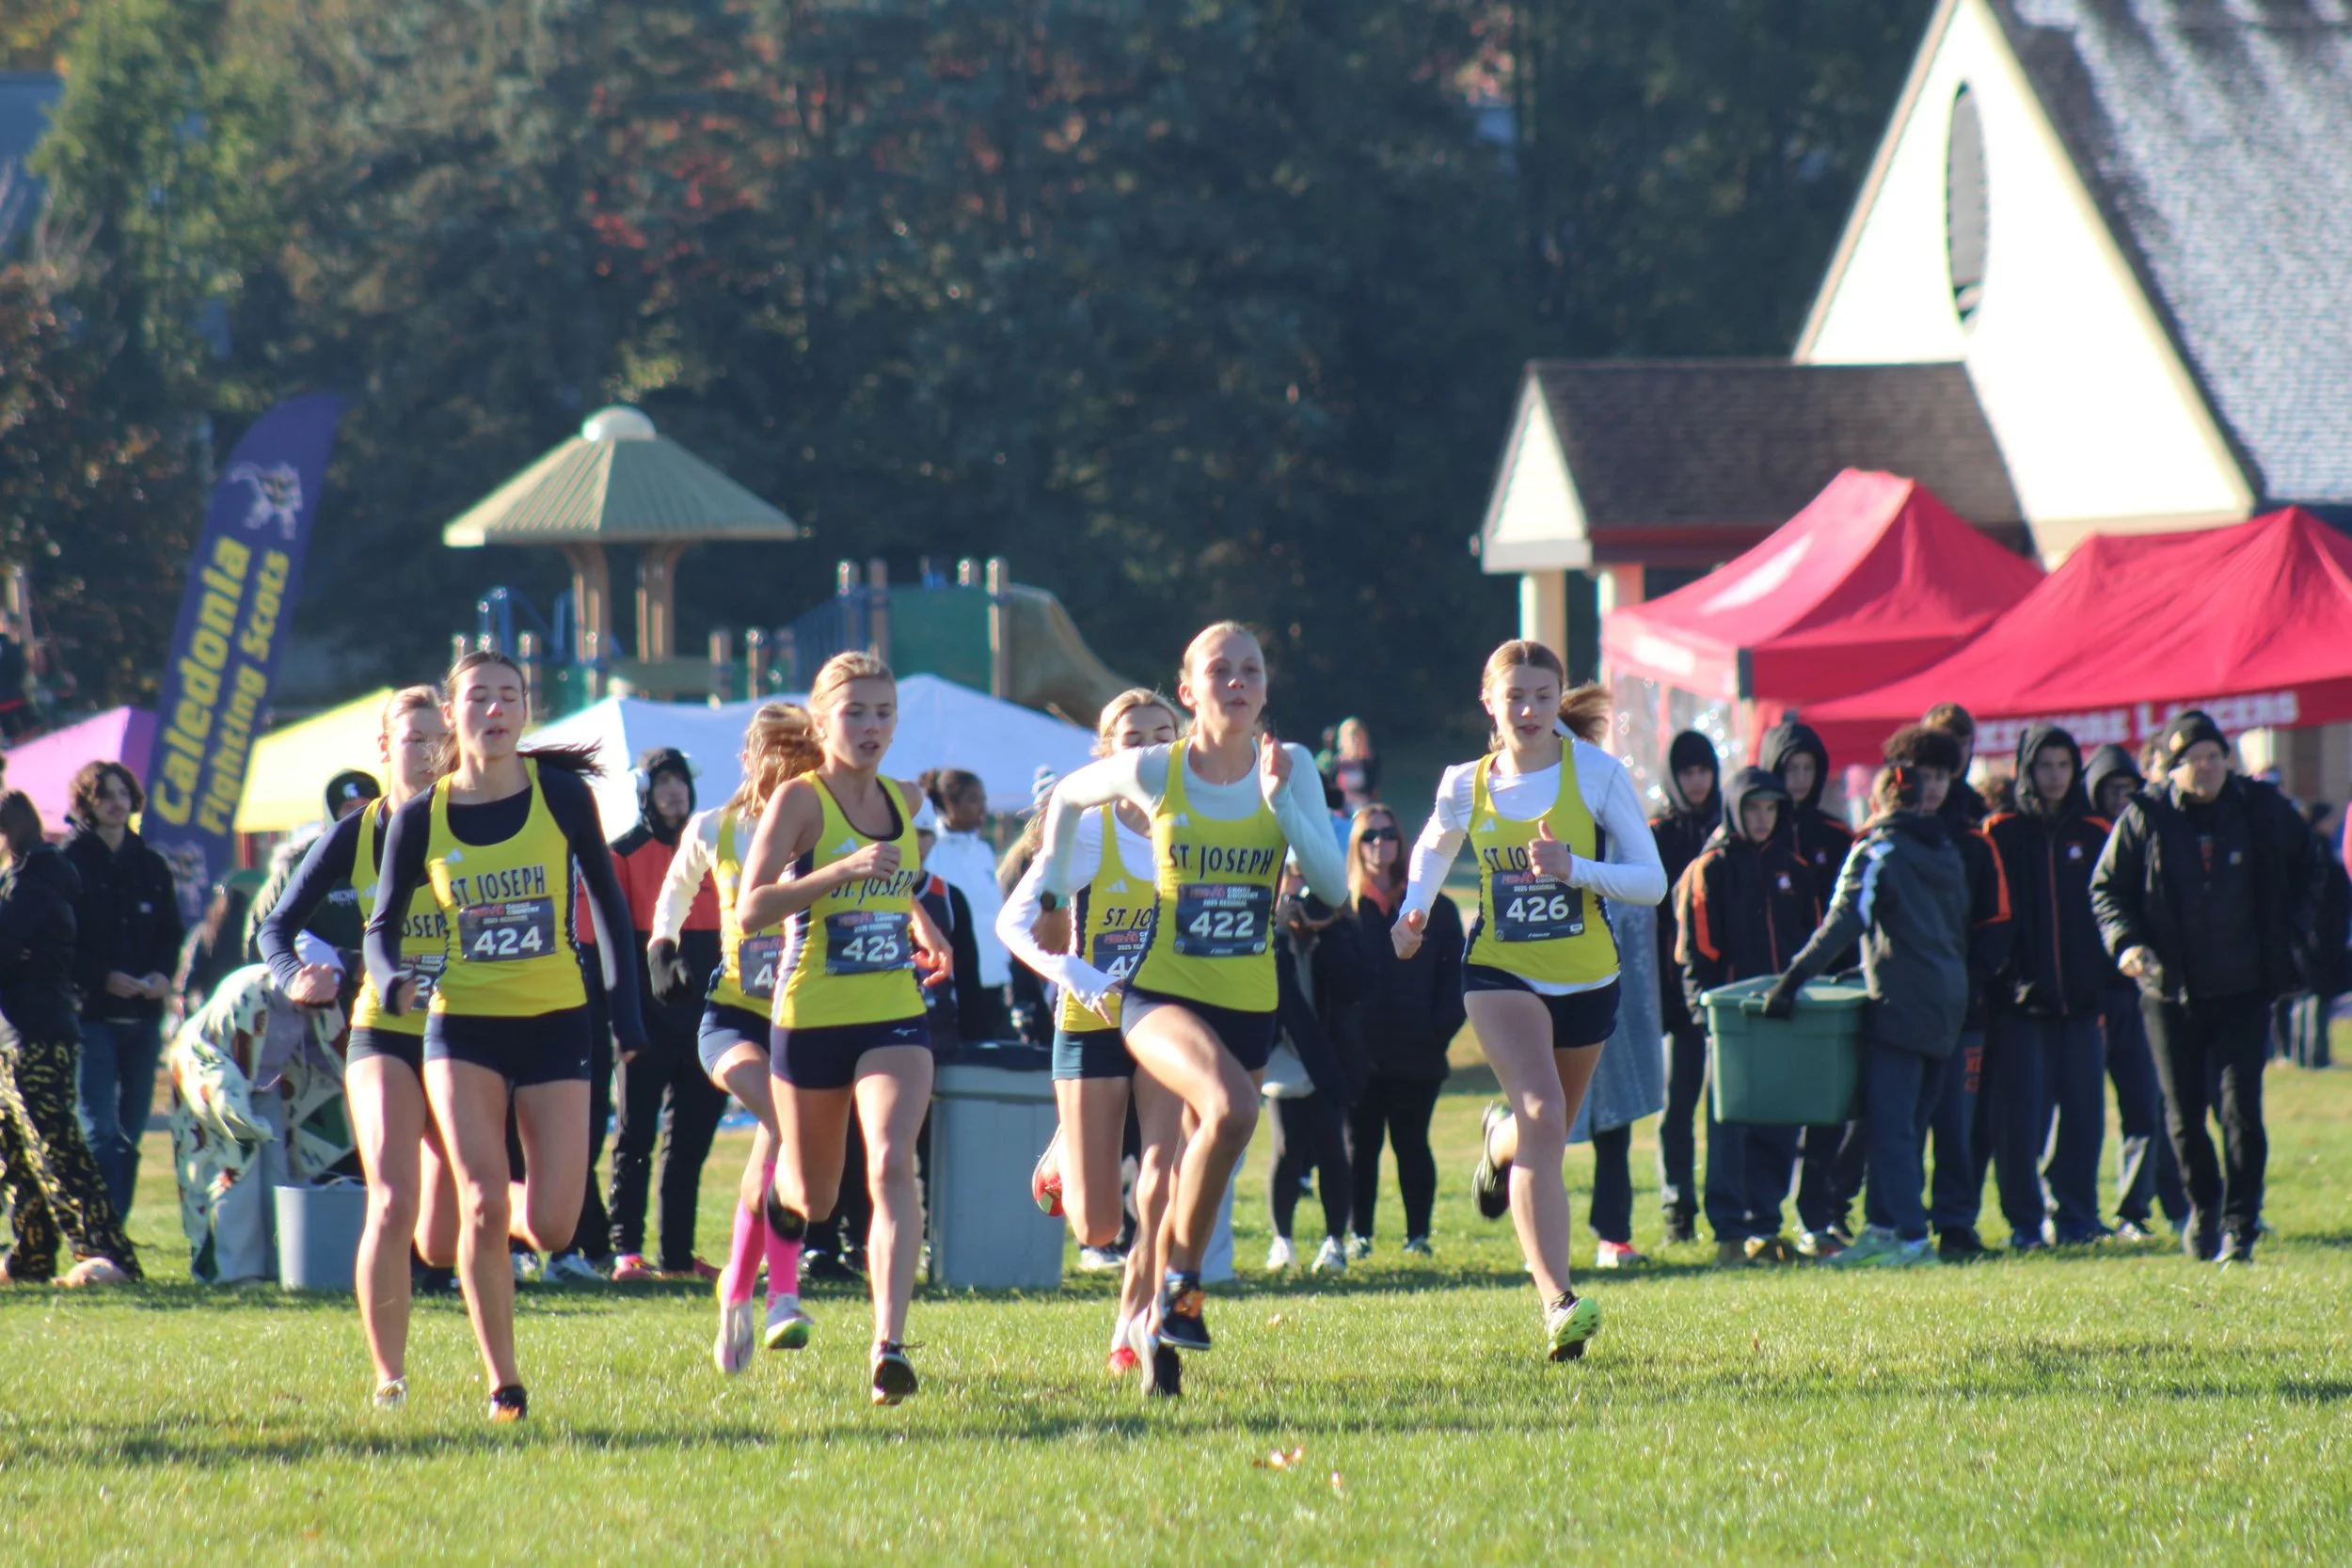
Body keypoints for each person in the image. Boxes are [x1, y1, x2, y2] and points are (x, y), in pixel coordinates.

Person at [1037, 623, 1348, 1391]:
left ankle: (1160, 1333)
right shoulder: (1155, 769)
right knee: (1232, 1108)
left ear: (1266, 689)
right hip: (1159, 996)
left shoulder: (1292, 766)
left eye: (1251, 670)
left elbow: (1334, 890)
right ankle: (1180, 1287)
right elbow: (1069, 798)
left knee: (1177, 1178)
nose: (1236, 682)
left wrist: (1284, 806)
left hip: (1247, 1007)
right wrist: (1049, 887)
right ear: (1189, 690)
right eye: (1220, 670)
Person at [366, 650, 649, 1422]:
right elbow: (383, 926)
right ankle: (505, 1383)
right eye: (479, 698)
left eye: (509, 697)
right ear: (454, 715)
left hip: (558, 1022)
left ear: (526, 711)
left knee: (554, 1226)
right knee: (488, 1204)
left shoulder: (559, 794)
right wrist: (390, 978)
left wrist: (627, 1015)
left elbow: (610, 907)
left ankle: (474, 1200)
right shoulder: (422, 815)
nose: (494, 710)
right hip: (463, 1027)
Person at [1393, 641, 1666, 1360]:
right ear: (1490, 701)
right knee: (1545, 1117)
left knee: (1544, 1130)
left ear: (1557, 702)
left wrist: (1574, 867)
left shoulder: (1598, 775)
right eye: (1514, 696)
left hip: (1587, 978)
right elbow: (1431, 848)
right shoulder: (1465, 782)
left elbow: (1651, 879)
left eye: (1543, 697)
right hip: (1500, 972)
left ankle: (1495, 1139)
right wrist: (1413, 909)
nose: (1529, 710)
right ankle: (1557, 1300)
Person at [738, 652, 955, 1406]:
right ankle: (770, 1207)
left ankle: (887, 1345)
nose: (871, 727)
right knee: (815, 1197)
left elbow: (896, 882)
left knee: (893, 1161)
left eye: (884, 713)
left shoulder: (907, 797)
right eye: (856, 713)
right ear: (823, 720)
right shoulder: (800, 802)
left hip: (893, 1010)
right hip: (810, 1015)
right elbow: (751, 907)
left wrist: (923, 921)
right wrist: (839, 872)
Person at [256, 686, 460, 1402]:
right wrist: (295, 976)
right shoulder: (358, 832)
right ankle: (389, 1379)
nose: (429, 754)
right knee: (391, 1196)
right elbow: (273, 927)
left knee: (440, 1237)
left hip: (466, 1034)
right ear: (384, 749)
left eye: (440, 739)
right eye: (413, 740)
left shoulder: (483, 820)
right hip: (385, 1033)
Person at [999, 689, 1192, 1372]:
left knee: (1164, 1180)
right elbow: (1012, 926)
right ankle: (1062, 1156)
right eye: (1130, 735)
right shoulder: (1084, 831)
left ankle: (1131, 1324)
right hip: (1090, 1020)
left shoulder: (1196, 824)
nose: (1145, 747)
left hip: (1167, 1019)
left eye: (1160, 733)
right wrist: (1076, 973)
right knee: (1099, 1226)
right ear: (1106, 752)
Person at [2090, 711, 2322, 1266]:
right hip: (2170, 993)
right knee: (2183, 1115)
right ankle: (2205, 1208)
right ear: (2172, 770)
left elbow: (2310, 868)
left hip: (2245, 989)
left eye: (2215, 756)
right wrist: (2127, 944)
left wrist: (2291, 936)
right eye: (2194, 760)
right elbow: (2107, 889)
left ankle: (2242, 1223)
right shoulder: (2145, 816)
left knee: (2241, 1109)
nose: (2207, 768)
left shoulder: (2261, 809)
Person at [652, 703, 824, 1370]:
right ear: (748, 758)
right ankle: (784, 1293)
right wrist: (662, 948)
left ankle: (735, 1293)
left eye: (800, 753)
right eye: (773, 753)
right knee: (786, 1126)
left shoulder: (821, 824)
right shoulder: (716, 826)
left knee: (775, 1150)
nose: (786, 766)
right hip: (730, 1016)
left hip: (803, 1013)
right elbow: (674, 892)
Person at [1764, 726, 1971, 1269]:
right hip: (1948, 1002)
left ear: (1878, 800)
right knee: (1911, 1122)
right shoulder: (1945, 848)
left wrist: (1793, 978)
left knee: (1890, 1124)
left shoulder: (1879, 849)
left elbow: (1843, 921)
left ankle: (1908, 1238)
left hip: (1902, 1001)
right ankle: (1884, 1227)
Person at [1675, 767, 1820, 1265]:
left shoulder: (1794, 869)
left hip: (1785, 1018)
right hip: (1731, 1022)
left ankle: (1766, 1224)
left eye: (1771, 808)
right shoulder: (1709, 868)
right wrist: (1706, 1014)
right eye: (1754, 807)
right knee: (1730, 1129)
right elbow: (1695, 951)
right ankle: (1730, 1233)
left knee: (1780, 1123)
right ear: (1736, 809)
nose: (1763, 818)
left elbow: (1812, 941)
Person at [0, 789, 140, 1287]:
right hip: (20, 1032)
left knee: (55, 1148)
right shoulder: (32, 881)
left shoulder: (28, 887)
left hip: (35, 1035)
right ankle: (30, 1258)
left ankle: (104, 1253)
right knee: (18, 1155)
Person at [1982, 725, 2112, 1248]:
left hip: (2083, 1001)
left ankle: (2077, 1215)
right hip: (2021, 1004)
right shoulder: (2001, 831)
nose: (2055, 777)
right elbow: (1990, 913)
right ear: (2026, 770)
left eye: (2063, 766)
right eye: (2044, 766)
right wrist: (2005, 978)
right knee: (2020, 1122)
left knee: (2083, 1115)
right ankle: (2025, 1223)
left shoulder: (2098, 830)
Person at [166, 942, 358, 1283]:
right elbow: (223, 1052)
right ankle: (234, 1272)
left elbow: (331, 1054)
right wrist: (237, 1114)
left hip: (266, 1085)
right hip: (216, 1082)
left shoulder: (322, 1002)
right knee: (235, 1173)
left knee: (281, 1176)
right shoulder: (249, 990)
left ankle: (281, 1265)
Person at [605, 746, 726, 1284]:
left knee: (690, 1145)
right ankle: (625, 1250)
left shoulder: (713, 848)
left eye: (680, 783)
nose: (674, 793)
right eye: (663, 784)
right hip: (645, 1023)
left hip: (706, 1021)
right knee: (635, 1137)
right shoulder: (623, 853)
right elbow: (616, 945)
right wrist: (622, 1020)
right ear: (644, 793)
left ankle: (677, 1256)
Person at [63, 759, 185, 1220]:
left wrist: (161, 976)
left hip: (144, 1020)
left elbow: (171, 934)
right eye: (103, 795)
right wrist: (100, 977)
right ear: (86, 804)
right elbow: (61, 941)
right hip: (91, 1017)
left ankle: (115, 1228)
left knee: (132, 1133)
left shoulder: (150, 864)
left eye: (122, 793)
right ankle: (99, 1234)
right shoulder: (69, 864)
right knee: (99, 1133)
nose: (116, 803)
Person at [1341, 802, 1463, 1259]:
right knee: (1360, 1148)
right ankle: (1360, 1236)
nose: (1379, 844)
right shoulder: (1344, 911)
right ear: (1355, 846)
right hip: (1359, 1056)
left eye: (1388, 834)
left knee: (1413, 1146)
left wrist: (1438, 1030)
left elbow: (1458, 977)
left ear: (1402, 841)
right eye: (1369, 837)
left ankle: (1418, 1237)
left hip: (1419, 1051)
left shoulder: (1434, 908)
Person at [1917, 704, 2014, 1261]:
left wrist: (1969, 983)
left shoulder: (1975, 837)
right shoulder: (1883, 835)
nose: (1933, 782)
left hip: (1964, 1007)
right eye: (1924, 769)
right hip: (1903, 1007)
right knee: (1905, 1124)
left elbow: (1996, 923)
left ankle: (1956, 1221)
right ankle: (1903, 1223)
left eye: (1943, 766)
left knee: (1959, 1123)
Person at [1757, 720, 1856, 1257]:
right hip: (1771, 993)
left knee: (1826, 1114)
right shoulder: (1758, 834)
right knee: (1774, 1114)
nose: (1797, 780)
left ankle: (1819, 1217)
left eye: (1807, 769)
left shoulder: (1837, 836)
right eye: (1788, 769)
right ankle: (1764, 1221)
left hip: (1826, 995)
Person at [2083, 744, 2187, 1236]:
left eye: (2128, 789)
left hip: (2143, 992)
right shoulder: (2083, 838)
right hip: (2087, 998)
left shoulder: (2154, 831)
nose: (2121, 799)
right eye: (2111, 791)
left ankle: (2140, 1208)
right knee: (2081, 1114)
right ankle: (2074, 1212)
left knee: (2148, 1107)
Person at [1262, 860, 1368, 1273]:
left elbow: (1358, 982)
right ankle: (1282, 1240)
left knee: (1332, 1148)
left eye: (1309, 875)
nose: (1300, 886)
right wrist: (1280, 934)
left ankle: (1334, 1242)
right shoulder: (1268, 930)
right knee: (1287, 1148)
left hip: (1331, 1055)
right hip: (1285, 1057)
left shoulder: (1338, 925)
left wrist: (1330, 930)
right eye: (1292, 875)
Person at [1648, 729, 1719, 1243]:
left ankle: (1724, 1205)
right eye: (1688, 772)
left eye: (1704, 770)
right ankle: (1678, 1209)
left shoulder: (1728, 825)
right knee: (1678, 1105)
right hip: (1673, 997)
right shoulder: (1657, 833)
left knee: (1723, 1107)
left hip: (1720, 990)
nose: (1697, 781)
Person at [918, 768, 1011, 1038]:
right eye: (973, 800)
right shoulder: (931, 849)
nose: (983, 807)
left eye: (983, 799)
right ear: (949, 804)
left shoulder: (983, 850)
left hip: (993, 978)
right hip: (954, 983)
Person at [1317, 718, 1380, 814]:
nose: (1356, 741)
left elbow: (1371, 786)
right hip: (1340, 806)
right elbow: (1329, 786)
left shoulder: (1371, 760)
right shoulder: (1334, 762)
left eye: (1359, 736)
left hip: (1363, 805)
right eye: (1353, 736)